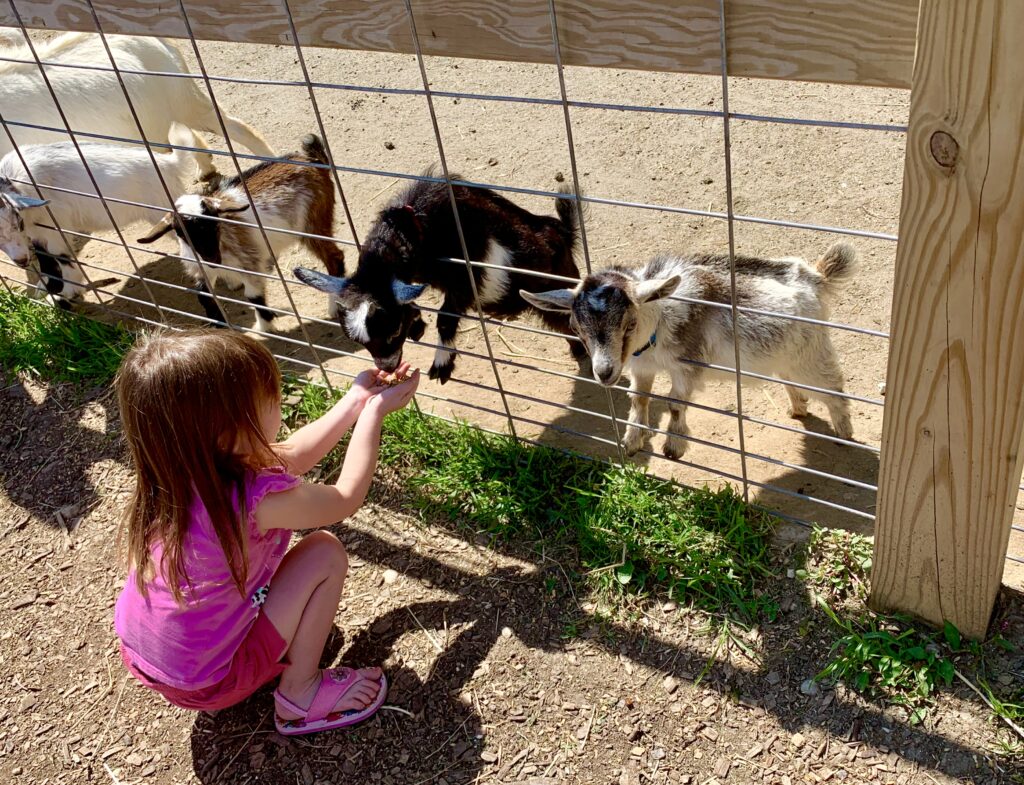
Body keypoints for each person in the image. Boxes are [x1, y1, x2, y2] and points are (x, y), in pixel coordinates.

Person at [113, 329, 419, 735]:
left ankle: (268, 649)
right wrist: (375, 415)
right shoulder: (255, 500)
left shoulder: (180, 470)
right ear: (230, 433)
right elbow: (344, 498)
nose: (279, 403)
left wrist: (355, 401)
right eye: (270, 398)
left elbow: (292, 454)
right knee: (324, 553)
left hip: (152, 661)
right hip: (212, 683)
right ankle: (300, 696)